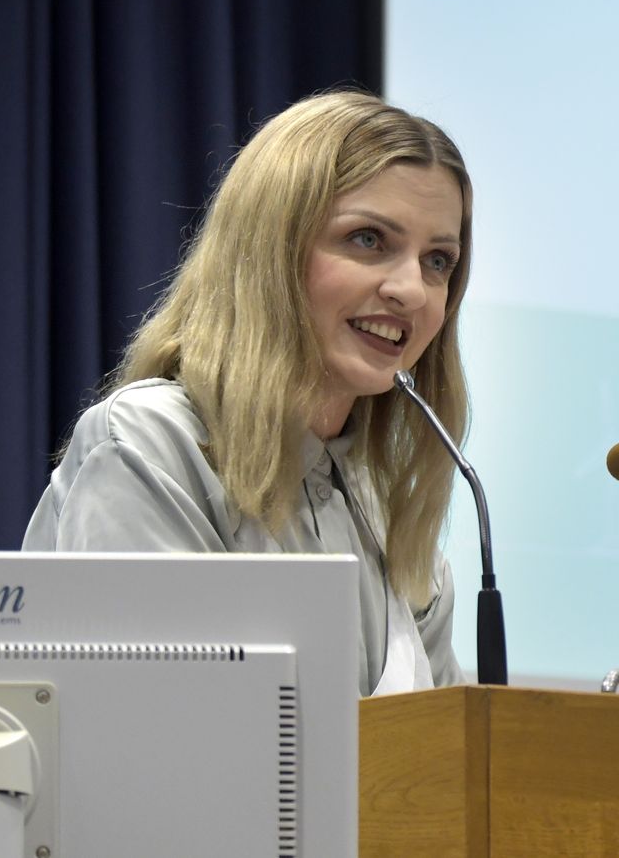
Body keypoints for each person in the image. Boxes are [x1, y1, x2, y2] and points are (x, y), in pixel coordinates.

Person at [24, 90, 473, 696]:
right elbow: (157, 723)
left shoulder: (392, 514)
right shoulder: (149, 446)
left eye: (438, 261)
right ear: (272, 250)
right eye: (368, 239)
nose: (411, 290)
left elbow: (449, 747)